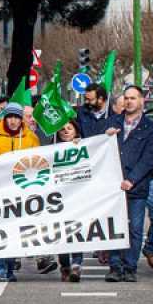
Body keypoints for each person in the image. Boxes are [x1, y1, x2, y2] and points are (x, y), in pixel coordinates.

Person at [103, 85, 153, 283]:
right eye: (126, 98)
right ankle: (115, 267)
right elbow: (97, 147)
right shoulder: (113, 122)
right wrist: (106, 136)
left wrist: (132, 179)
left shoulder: (150, 128)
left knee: (135, 229)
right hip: (112, 186)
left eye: (133, 98)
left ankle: (130, 267)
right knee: (114, 227)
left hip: (136, 187)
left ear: (142, 101)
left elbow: (149, 158)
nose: (129, 102)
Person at [0, 103, 37, 281]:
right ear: (4, 117)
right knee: (0, 228)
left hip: (20, 191)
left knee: (15, 230)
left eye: (17, 117)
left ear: (21, 119)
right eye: (10, 117)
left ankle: (10, 269)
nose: (13, 121)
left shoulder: (30, 137)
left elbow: (38, 160)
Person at [52, 121, 87, 283]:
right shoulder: (51, 150)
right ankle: (65, 265)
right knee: (62, 233)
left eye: (69, 128)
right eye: (62, 129)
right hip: (58, 199)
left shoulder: (85, 146)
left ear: (76, 131)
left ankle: (76, 265)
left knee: (77, 230)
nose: (65, 131)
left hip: (78, 198)